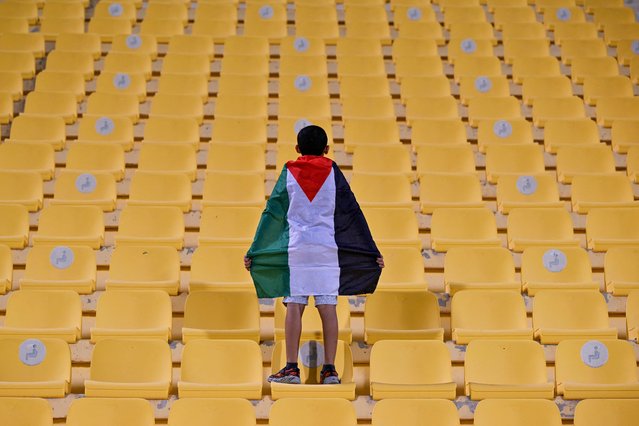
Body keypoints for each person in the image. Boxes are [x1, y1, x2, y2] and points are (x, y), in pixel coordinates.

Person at [244, 125, 384, 385]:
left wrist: (257, 249)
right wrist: (369, 251)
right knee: (328, 307)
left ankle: (291, 369)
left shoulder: (289, 171)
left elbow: (273, 212)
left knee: (294, 306)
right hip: (327, 250)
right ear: (327, 149)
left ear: (297, 149)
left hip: (297, 250)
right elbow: (351, 212)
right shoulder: (333, 171)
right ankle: (330, 370)